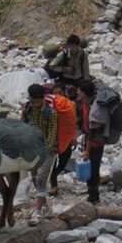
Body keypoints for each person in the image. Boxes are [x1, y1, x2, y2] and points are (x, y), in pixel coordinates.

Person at [22, 83, 58, 223]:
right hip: (32, 149)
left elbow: (52, 134)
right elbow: (23, 128)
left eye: (38, 101)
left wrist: (45, 150)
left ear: (43, 99)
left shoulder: (51, 113)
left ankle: (37, 212)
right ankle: (45, 207)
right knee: (35, 178)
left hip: (48, 150)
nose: (35, 104)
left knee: (41, 178)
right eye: (33, 101)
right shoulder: (27, 111)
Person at [44, 83, 79, 197]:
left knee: (63, 161)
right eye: (55, 93)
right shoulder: (50, 106)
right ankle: (54, 186)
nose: (58, 95)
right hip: (52, 137)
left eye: (60, 93)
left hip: (66, 137)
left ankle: (53, 176)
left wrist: (74, 137)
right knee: (52, 162)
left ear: (65, 93)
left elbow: (73, 122)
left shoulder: (70, 105)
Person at [77, 79, 104, 204]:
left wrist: (87, 150)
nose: (77, 93)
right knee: (90, 168)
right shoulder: (84, 104)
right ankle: (91, 194)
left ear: (83, 93)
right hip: (89, 139)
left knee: (93, 169)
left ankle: (94, 196)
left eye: (79, 91)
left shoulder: (94, 108)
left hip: (95, 142)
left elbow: (93, 131)